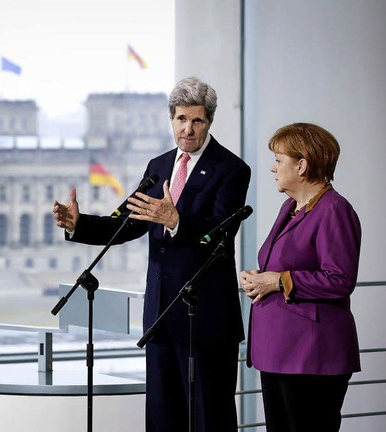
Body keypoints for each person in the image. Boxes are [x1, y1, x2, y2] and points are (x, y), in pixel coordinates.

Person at [53, 76, 251, 432]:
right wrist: (78, 224)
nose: (188, 129)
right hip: (160, 316)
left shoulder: (231, 169)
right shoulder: (158, 165)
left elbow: (221, 234)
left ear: (209, 121)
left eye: (197, 121)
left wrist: (177, 220)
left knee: (210, 418)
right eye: (181, 119)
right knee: (164, 418)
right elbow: (126, 223)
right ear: (171, 118)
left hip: (205, 318)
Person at [240, 123, 361, 432]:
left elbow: (339, 279)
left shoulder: (335, 210)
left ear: (302, 165)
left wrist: (278, 280)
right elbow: (282, 263)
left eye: (279, 159)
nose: (272, 167)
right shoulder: (290, 207)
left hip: (311, 356)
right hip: (277, 351)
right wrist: (259, 277)